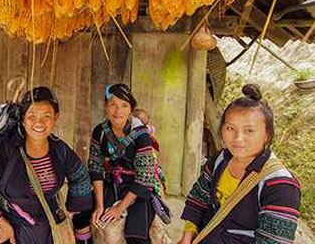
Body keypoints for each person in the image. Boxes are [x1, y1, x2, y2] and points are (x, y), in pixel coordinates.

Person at [0, 86, 94, 244]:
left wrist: (70, 210)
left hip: (48, 231)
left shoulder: (59, 150)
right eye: (32, 116)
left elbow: (80, 176)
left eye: (46, 116)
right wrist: (0, 222)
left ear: (56, 117)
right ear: (22, 119)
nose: (39, 122)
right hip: (10, 234)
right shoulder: (3, 149)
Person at [178, 84, 301, 244]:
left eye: (249, 131)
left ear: (266, 135)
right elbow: (199, 197)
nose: (238, 138)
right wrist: (188, 236)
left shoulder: (281, 185)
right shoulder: (220, 159)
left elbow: (273, 241)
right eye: (230, 128)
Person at [88, 83, 158, 244]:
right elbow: (95, 168)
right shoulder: (100, 132)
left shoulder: (141, 136)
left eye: (124, 105)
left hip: (137, 189)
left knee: (135, 235)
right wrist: (99, 205)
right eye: (113, 104)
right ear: (106, 106)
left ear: (131, 110)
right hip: (112, 183)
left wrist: (119, 209)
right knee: (85, 215)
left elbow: (144, 179)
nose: (118, 111)